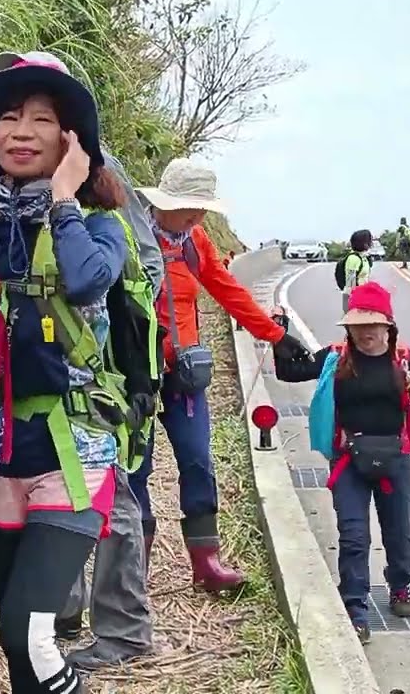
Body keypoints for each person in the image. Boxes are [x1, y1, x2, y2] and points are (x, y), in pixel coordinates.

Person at [0, 49, 147, 693]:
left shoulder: (99, 226)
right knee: (19, 637)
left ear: (71, 142)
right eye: (9, 118)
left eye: (41, 119)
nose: (21, 131)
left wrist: (63, 197)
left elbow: (87, 278)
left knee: (26, 632)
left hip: (74, 449)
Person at [127, 158, 309, 592]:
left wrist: (274, 334)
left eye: (203, 207)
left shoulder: (196, 241)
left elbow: (226, 289)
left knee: (197, 460)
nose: (198, 215)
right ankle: (131, 573)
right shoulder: (131, 237)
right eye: (191, 205)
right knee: (135, 466)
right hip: (132, 374)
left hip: (183, 372)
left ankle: (206, 564)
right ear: (164, 201)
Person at [273, 282, 410, 642]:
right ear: (349, 327)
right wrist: (279, 334)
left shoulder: (403, 359)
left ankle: (400, 585)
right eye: (358, 325)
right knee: (354, 537)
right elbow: (289, 373)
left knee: (400, 535)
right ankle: (356, 608)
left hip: (395, 460)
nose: (365, 332)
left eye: (373, 325)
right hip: (348, 461)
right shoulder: (335, 357)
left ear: (388, 325)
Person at [339, 229, 373, 312]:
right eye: (370, 240)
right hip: (355, 300)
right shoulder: (353, 259)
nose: (371, 243)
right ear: (364, 243)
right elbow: (350, 283)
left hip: (363, 297)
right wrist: (347, 308)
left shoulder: (364, 257)